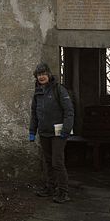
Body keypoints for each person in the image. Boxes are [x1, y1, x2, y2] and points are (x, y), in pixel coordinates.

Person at [29, 62, 75, 203]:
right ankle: (50, 188)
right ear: (36, 77)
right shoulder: (37, 93)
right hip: (44, 133)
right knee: (47, 162)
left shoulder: (59, 90)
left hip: (59, 133)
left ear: (48, 74)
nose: (41, 77)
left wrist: (66, 130)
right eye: (39, 75)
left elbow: (69, 111)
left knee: (57, 162)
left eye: (43, 74)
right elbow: (34, 113)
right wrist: (32, 131)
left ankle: (63, 192)